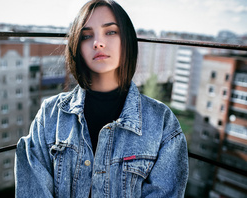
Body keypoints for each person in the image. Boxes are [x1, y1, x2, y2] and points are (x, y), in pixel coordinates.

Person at [15, 0, 189, 197]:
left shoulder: (162, 122)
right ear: (77, 47)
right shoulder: (50, 114)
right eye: (86, 36)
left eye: (111, 32)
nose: (97, 42)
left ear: (127, 40)